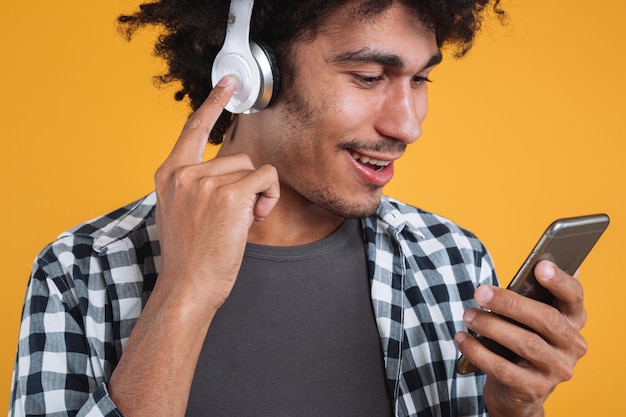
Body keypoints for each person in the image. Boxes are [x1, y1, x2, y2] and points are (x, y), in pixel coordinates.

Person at [9, 1, 588, 416]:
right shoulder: (81, 271)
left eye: (420, 79)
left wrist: (519, 408)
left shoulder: (452, 260)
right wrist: (183, 293)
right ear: (249, 73)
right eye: (368, 77)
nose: (407, 124)